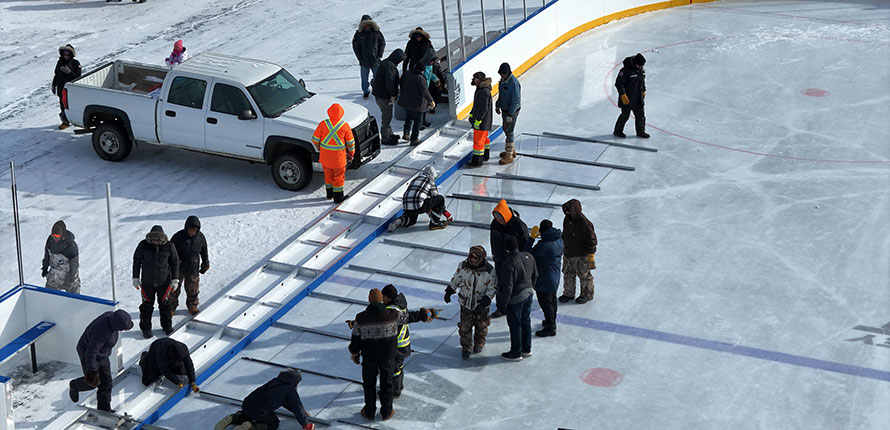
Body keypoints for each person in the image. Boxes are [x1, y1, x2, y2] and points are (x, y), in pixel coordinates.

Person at [349, 288, 427, 421]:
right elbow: (410, 317)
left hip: (369, 358)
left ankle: (369, 411)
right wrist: (426, 314)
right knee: (387, 384)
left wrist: (354, 353)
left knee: (369, 385)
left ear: (369, 300)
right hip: (388, 357)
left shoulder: (360, 318)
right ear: (381, 300)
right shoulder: (392, 315)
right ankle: (386, 411)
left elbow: (356, 339)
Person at [68, 309, 133, 412]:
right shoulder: (102, 332)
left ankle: (104, 409)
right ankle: (75, 385)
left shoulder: (111, 317)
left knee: (106, 383)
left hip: (102, 354)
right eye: (123, 328)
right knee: (93, 383)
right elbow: (90, 353)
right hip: (88, 354)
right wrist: (92, 372)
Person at [215, 369, 315, 430]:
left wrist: (298, 411)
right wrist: (305, 424)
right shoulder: (290, 390)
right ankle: (251, 427)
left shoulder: (275, 381)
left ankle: (233, 418)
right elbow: (297, 405)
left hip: (247, 403)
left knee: (248, 414)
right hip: (260, 411)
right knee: (273, 423)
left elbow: (285, 402)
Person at [380, 284, 434, 398]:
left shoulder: (392, 311)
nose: (382, 299)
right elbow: (411, 317)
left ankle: (395, 391)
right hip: (403, 344)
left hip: (396, 346)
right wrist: (424, 314)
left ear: (388, 297)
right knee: (398, 367)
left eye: (383, 297)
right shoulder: (400, 305)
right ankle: (398, 386)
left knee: (393, 369)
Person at [445, 246, 497, 360]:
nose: (473, 260)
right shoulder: (463, 266)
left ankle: (479, 343)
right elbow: (456, 279)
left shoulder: (489, 271)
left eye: (476, 258)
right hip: (465, 303)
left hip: (480, 305)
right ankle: (466, 347)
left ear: (482, 258)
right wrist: (449, 291)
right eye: (471, 257)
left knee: (481, 326)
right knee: (464, 327)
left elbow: (492, 289)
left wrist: (483, 304)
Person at [133, 225, 180, 338]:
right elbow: (137, 260)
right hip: (147, 282)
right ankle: (146, 328)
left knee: (165, 305)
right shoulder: (143, 245)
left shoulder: (169, 246)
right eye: (153, 240)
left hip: (164, 282)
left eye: (158, 240)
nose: (155, 242)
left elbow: (175, 262)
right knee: (147, 306)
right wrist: (135, 277)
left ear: (162, 239)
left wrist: (175, 279)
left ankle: (167, 326)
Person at [496, 236, 537, 361]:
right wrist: (531, 287)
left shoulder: (508, 264)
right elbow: (536, 274)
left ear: (506, 248)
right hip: (529, 293)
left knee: (515, 325)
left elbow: (508, 287)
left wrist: (503, 303)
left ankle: (516, 352)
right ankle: (526, 348)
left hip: (516, 298)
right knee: (526, 321)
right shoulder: (528, 256)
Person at [489, 199, 531, 318]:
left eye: (500, 218)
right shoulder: (495, 224)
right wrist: (494, 254)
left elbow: (525, 245)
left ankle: (513, 305)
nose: (498, 220)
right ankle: (501, 307)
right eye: (496, 217)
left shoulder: (519, 226)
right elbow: (492, 239)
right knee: (500, 284)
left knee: (513, 284)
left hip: (513, 261)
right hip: (499, 259)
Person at [312, 103, 356, 203]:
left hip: (325, 158)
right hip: (338, 159)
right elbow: (350, 143)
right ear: (341, 114)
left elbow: (315, 139)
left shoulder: (323, 124)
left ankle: (329, 194)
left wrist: (319, 147)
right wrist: (351, 154)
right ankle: (338, 197)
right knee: (338, 177)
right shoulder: (344, 126)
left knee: (328, 176)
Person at [387, 165, 452, 232]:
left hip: (406, 206)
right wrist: (444, 212)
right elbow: (434, 196)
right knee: (440, 198)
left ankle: (400, 221)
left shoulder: (415, 180)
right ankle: (435, 224)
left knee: (412, 221)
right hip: (418, 204)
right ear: (432, 175)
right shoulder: (430, 180)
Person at [560, 199, 598, 304]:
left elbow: (592, 240)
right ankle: (568, 293)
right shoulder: (567, 219)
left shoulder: (584, 222)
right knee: (568, 274)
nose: (567, 212)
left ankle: (587, 295)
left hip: (581, 255)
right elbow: (565, 234)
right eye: (565, 210)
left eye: (569, 210)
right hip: (568, 253)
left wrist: (591, 255)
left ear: (575, 210)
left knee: (584, 276)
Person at [529, 219, 563, 337]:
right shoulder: (559, 239)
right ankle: (550, 321)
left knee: (546, 302)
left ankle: (550, 326)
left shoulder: (543, 245)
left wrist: (531, 238)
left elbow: (528, 253)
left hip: (544, 278)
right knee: (552, 300)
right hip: (555, 276)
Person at [170, 215, 209, 316]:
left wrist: (206, 263)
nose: (192, 232)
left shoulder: (200, 237)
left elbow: (204, 251)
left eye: (194, 230)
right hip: (178, 269)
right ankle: (171, 307)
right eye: (190, 229)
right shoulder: (178, 237)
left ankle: (192, 305)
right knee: (174, 289)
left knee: (193, 289)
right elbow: (169, 252)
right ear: (186, 227)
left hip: (193, 268)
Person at [372, 49, 406, 145]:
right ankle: (386, 138)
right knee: (386, 117)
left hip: (379, 94)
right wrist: (393, 95)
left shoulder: (386, 63)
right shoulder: (390, 66)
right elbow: (390, 83)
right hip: (384, 96)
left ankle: (389, 134)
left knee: (387, 116)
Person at [397, 60, 434, 146]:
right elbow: (424, 91)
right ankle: (414, 139)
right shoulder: (420, 78)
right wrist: (431, 100)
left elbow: (401, 84)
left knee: (409, 117)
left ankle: (406, 134)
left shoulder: (406, 73)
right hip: (417, 103)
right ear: (422, 70)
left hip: (406, 101)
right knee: (418, 121)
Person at [613, 53, 649, 138]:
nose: (641, 67)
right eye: (639, 65)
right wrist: (623, 95)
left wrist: (643, 90)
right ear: (635, 63)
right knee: (625, 116)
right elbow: (619, 83)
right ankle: (617, 131)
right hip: (628, 97)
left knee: (641, 116)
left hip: (638, 97)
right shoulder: (625, 71)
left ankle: (641, 132)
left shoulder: (641, 70)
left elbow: (642, 81)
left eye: (642, 66)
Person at [41, 220, 80, 294]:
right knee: (49, 296)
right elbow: (47, 255)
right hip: (55, 274)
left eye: (57, 236)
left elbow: (74, 264)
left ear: (62, 235)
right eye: (53, 236)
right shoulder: (50, 241)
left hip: (68, 275)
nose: (55, 238)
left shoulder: (70, 245)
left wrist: (73, 278)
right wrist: (45, 267)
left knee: (74, 297)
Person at [352, 14, 385, 98]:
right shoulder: (358, 34)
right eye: (365, 25)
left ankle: (377, 89)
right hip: (364, 61)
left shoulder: (376, 32)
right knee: (364, 78)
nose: (367, 27)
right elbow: (355, 46)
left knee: (378, 77)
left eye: (368, 25)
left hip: (375, 60)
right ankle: (365, 91)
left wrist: (379, 55)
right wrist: (360, 57)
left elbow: (382, 43)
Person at [495, 62, 521, 164]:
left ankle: (509, 155)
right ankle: (510, 150)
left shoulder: (513, 83)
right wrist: (498, 105)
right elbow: (501, 95)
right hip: (505, 109)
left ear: (508, 73)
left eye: (503, 74)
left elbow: (516, 100)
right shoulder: (502, 81)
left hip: (511, 111)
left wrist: (511, 114)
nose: (502, 75)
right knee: (506, 129)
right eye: (501, 74)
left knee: (509, 130)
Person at [465, 71, 493, 167]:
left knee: (478, 142)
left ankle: (477, 161)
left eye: (476, 79)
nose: (474, 80)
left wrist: (478, 120)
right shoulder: (481, 89)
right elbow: (477, 105)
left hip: (482, 122)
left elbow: (483, 108)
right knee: (484, 139)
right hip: (483, 121)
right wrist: (472, 114)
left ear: (480, 80)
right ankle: (485, 156)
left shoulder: (484, 91)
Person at [52, 44, 81, 129]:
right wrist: (54, 85)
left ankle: (75, 119)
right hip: (61, 87)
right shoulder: (60, 62)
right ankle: (65, 121)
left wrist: (69, 72)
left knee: (70, 104)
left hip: (70, 88)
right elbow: (56, 74)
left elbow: (78, 76)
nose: (66, 56)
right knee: (62, 104)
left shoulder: (75, 63)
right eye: (64, 54)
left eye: (68, 54)